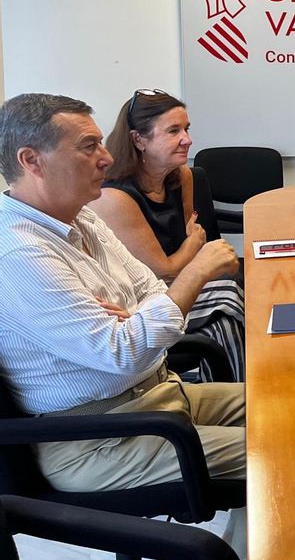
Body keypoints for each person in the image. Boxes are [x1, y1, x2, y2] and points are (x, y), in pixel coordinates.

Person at [0, 92, 245, 493]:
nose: (107, 157)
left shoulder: (82, 217)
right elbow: (124, 351)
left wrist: (139, 320)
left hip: (158, 397)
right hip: (98, 438)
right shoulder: (17, 252)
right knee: (285, 446)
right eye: (88, 146)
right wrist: (196, 272)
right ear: (32, 160)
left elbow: (151, 288)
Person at [89, 89, 246, 382]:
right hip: (138, 303)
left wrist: (191, 250)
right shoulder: (114, 197)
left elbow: (189, 249)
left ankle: (238, 391)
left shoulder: (181, 175)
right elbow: (166, 267)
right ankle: (244, 394)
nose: (187, 139)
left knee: (225, 315)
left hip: (177, 285)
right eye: (174, 131)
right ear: (139, 140)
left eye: (186, 129)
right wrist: (192, 247)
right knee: (226, 295)